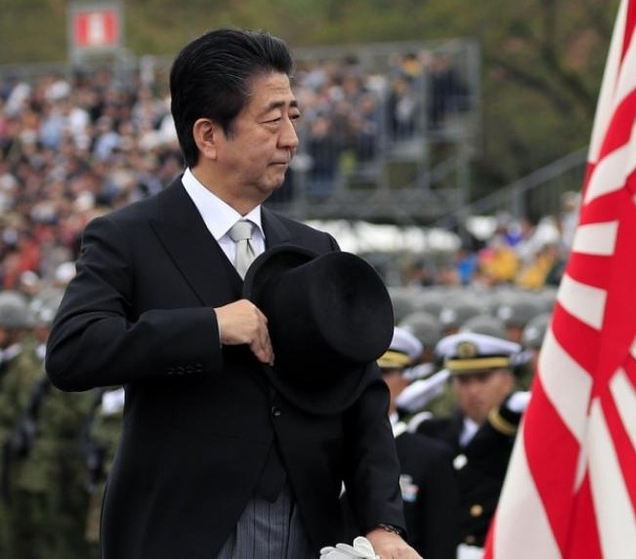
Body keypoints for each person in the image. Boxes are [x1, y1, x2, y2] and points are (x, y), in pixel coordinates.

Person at [45, 28, 417, 559]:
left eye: (294, 116)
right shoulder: (127, 236)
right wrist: (210, 326)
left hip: (309, 528)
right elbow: (73, 351)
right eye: (272, 119)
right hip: (182, 532)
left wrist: (383, 523)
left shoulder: (313, 248)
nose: (291, 138)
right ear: (209, 135)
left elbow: (362, 398)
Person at [413, 331, 528, 559]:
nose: (473, 390)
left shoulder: (523, 437)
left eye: (483, 378)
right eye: (464, 380)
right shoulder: (431, 432)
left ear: (507, 381)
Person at [364, 327, 460, 559]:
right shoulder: (326, 443)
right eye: (364, 371)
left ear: (405, 380)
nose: (373, 380)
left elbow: (440, 543)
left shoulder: (430, 456)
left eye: (386, 372)